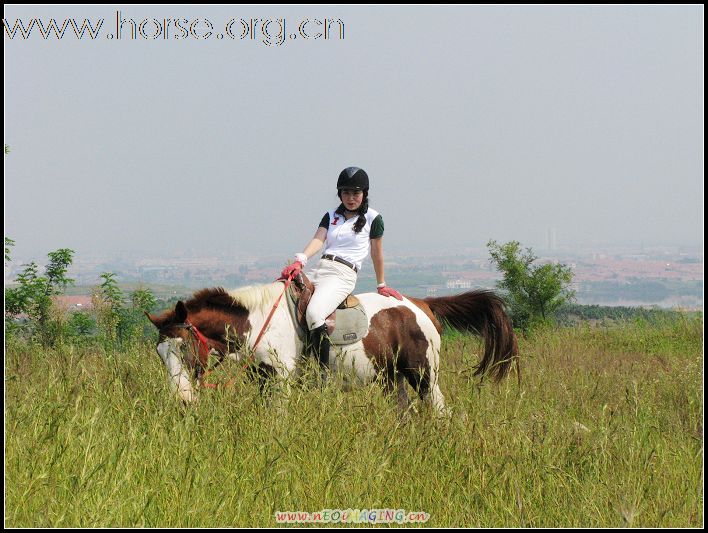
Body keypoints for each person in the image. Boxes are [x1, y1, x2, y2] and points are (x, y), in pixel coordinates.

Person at [280, 166, 403, 379]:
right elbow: (319, 239)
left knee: (315, 313)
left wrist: (381, 284)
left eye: (355, 193)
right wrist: (301, 260)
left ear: (364, 194)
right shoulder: (331, 216)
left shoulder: (374, 218)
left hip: (343, 274)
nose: (351, 198)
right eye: (346, 192)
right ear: (340, 194)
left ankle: (321, 375)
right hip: (321, 268)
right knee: (288, 303)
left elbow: (377, 254)